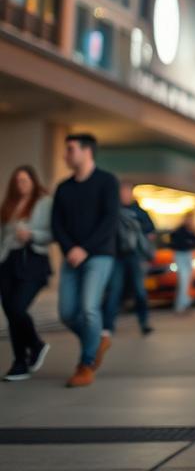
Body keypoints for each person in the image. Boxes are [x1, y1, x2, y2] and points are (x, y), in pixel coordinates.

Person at [51, 133, 119, 387]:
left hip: (99, 255)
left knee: (89, 308)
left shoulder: (107, 182)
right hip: (71, 256)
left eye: (70, 149)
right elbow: (57, 224)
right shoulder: (63, 187)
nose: (65, 155)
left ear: (86, 151)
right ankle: (98, 341)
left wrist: (85, 249)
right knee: (67, 313)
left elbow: (109, 221)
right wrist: (70, 249)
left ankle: (86, 363)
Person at [0, 166, 53, 382]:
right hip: (8, 261)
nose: (21, 184)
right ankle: (20, 362)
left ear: (33, 181)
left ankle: (36, 344)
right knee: (10, 311)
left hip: (32, 260)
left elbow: (52, 232)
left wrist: (32, 234)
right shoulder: (9, 205)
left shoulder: (44, 202)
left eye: (25, 180)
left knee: (17, 307)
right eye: (17, 181)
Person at [101, 182, 156, 339]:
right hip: (117, 256)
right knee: (114, 290)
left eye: (127, 192)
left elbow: (151, 231)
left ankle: (144, 322)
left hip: (135, 256)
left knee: (139, 290)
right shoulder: (113, 210)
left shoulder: (140, 212)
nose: (124, 194)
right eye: (122, 192)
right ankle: (108, 326)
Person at [168, 212, 195, 314]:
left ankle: (184, 302)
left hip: (189, 255)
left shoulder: (193, 231)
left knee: (187, 281)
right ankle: (182, 304)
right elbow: (174, 241)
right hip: (181, 255)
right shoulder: (179, 230)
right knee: (183, 280)